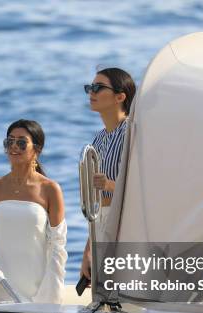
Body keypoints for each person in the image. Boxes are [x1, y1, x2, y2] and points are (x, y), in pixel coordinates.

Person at [0, 119, 67, 303]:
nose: (14, 147)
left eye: (22, 142)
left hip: (37, 287)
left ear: (37, 149)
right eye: (10, 141)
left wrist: (50, 293)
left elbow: (58, 244)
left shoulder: (50, 189)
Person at [81, 67, 136, 280]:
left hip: (126, 223)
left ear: (120, 96)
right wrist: (89, 249)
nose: (91, 92)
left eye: (98, 87)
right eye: (89, 87)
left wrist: (109, 185)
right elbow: (97, 202)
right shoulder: (98, 139)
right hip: (101, 222)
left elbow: (143, 185)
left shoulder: (132, 132)